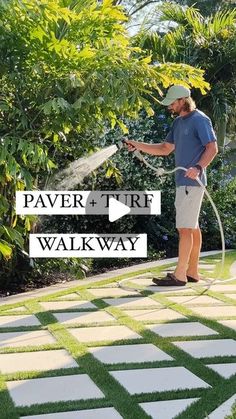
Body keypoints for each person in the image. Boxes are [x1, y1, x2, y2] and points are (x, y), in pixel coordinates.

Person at [125, 85, 218, 286]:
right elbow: (165, 149)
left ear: (183, 100)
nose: (170, 107)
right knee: (192, 228)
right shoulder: (178, 122)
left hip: (192, 182)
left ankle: (180, 275)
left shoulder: (200, 119)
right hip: (182, 182)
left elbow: (212, 148)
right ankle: (192, 271)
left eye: (173, 103)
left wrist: (199, 167)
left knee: (184, 228)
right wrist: (138, 145)